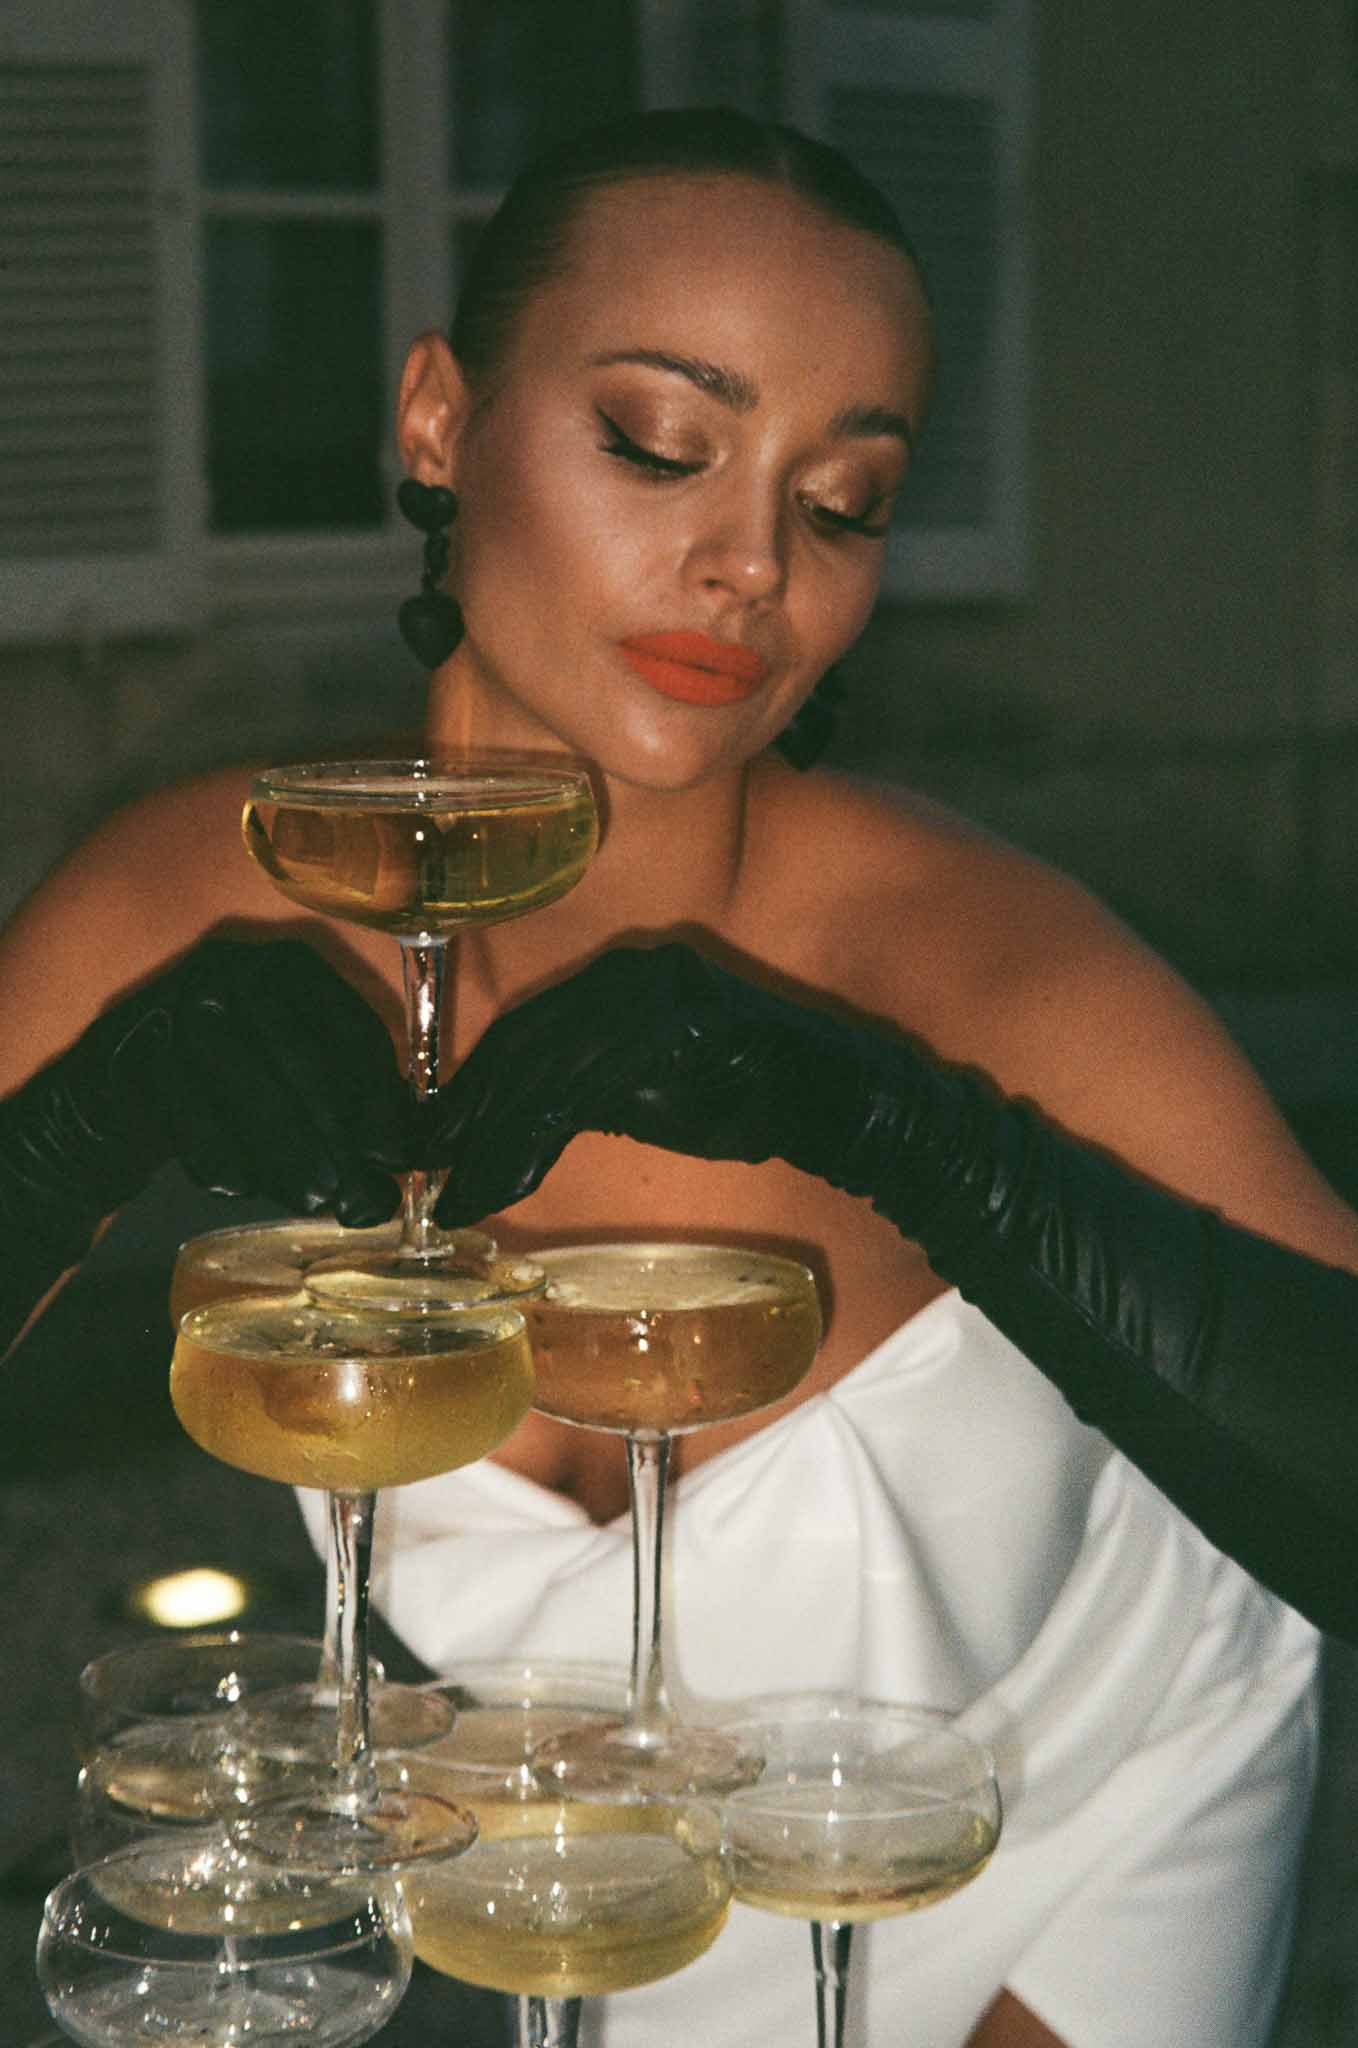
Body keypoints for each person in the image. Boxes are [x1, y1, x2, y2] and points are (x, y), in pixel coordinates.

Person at [0, 107, 1345, 2047]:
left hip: (1072, 1803)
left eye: (844, 500)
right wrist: (70, 1134)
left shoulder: (959, 960)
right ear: (440, 422)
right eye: (658, 442)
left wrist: (910, 1137)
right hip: (614, 1896)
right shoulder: (212, 899)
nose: (745, 563)